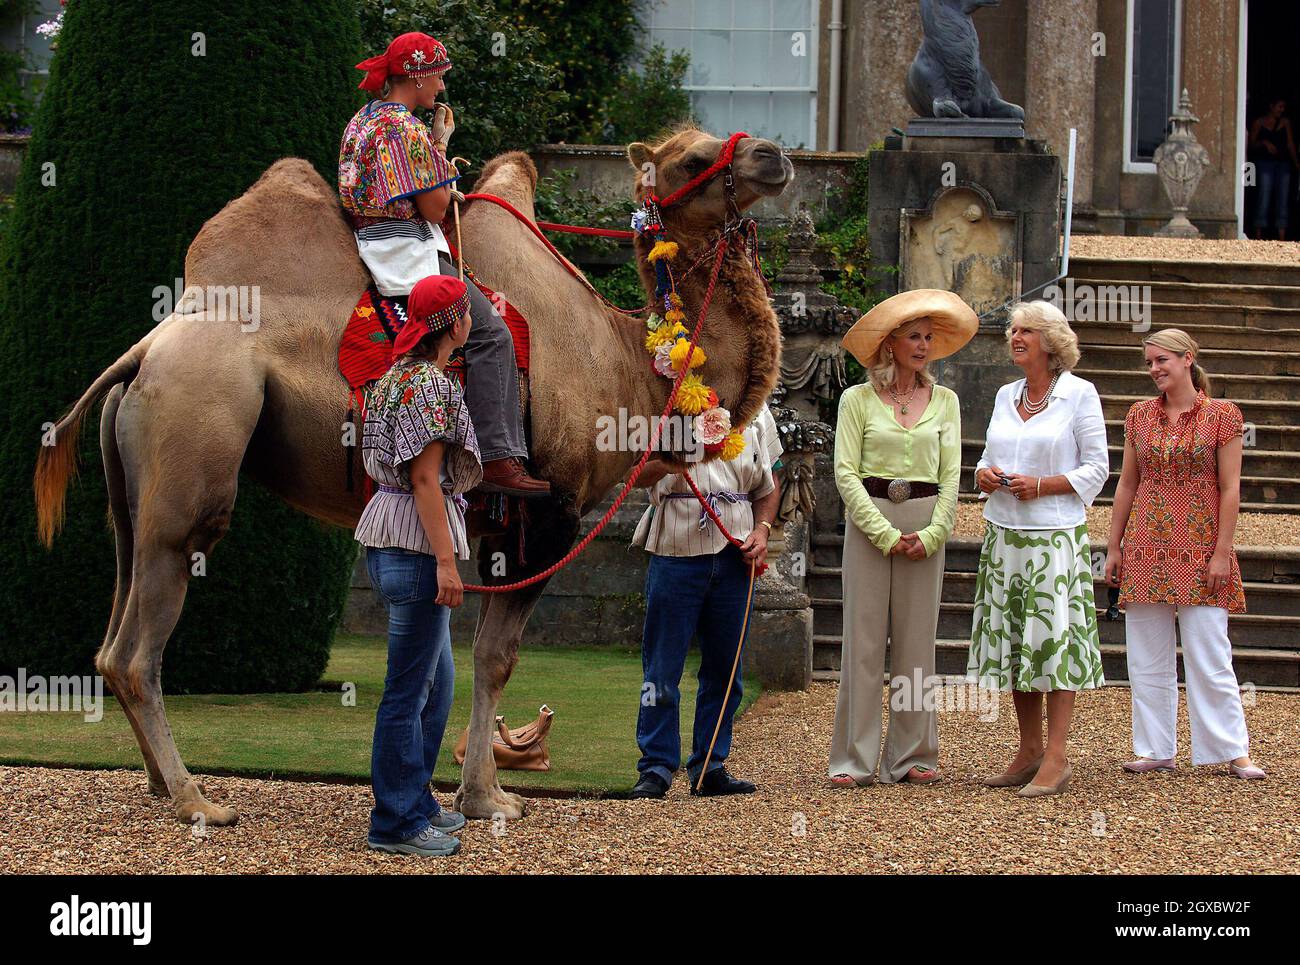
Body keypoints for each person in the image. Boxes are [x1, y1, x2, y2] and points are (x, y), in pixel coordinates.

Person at [340, 31, 549, 497]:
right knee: (493, 333)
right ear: (416, 76)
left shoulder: (363, 121)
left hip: (374, 243)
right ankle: (496, 459)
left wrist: (433, 156)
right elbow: (435, 210)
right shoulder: (405, 129)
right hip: (412, 251)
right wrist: (439, 162)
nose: (440, 88)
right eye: (437, 77)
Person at [357, 274, 483, 857]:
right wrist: (446, 563)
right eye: (464, 311)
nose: (471, 318)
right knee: (408, 692)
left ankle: (416, 798)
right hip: (414, 544)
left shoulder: (393, 378)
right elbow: (426, 478)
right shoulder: (430, 386)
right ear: (450, 324)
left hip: (389, 534)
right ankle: (395, 823)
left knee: (438, 684)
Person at [1104, 328, 1265, 780]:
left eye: (1161, 361)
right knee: (1146, 654)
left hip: (1200, 545)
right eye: (1149, 362)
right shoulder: (1138, 415)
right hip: (1146, 544)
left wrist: (1222, 552)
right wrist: (1113, 546)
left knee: (1210, 650)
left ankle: (1233, 749)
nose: (1154, 369)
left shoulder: (1223, 415)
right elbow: (1127, 484)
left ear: (1187, 359)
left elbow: (1231, 488)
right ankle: (1155, 747)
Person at [828, 290, 973, 788]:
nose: (924, 345)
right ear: (889, 343)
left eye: (929, 337)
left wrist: (934, 533)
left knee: (917, 646)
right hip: (871, 525)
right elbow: (845, 474)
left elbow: (953, 476)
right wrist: (884, 533)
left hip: (925, 523)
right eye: (914, 336)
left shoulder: (947, 402)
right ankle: (854, 758)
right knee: (863, 645)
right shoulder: (857, 399)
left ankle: (913, 753)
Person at [967, 300, 1109, 798]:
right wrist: (983, 475)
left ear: (1050, 341)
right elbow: (988, 455)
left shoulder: (1079, 394)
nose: (1015, 336)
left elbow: (1097, 467)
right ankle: (1027, 750)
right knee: (1015, 644)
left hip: (1054, 536)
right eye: (1012, 329)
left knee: (1053, 644)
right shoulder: (1007, 394)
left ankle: (1057, 756)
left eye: (1026, 330)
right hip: (1004, 533)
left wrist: (1043, 485)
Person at [625, 407, 783, 799]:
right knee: (662, 667)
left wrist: (763, 531)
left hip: (736, 550)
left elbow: (768, 484)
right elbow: (630, 475)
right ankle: (657, 767)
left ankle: (710, 765)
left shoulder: (757, 409)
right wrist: (670, 460)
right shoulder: (664, 401)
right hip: (675, 546)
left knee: (726, 669)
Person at [1248, 97, 1298, 241]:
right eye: (1279, 107)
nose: (1281, 110)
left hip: (1283, 164)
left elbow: (1290, 144)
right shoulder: (1259, 123)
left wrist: (1296, 163)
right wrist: (1264, 143)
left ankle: (1281, 235)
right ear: (1271, 106)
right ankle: (1258, 233)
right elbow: (1251, 144)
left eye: (1283, 107)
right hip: (1264, 163)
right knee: (1263, 196)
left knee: (1282, 198)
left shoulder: (1285, 122)